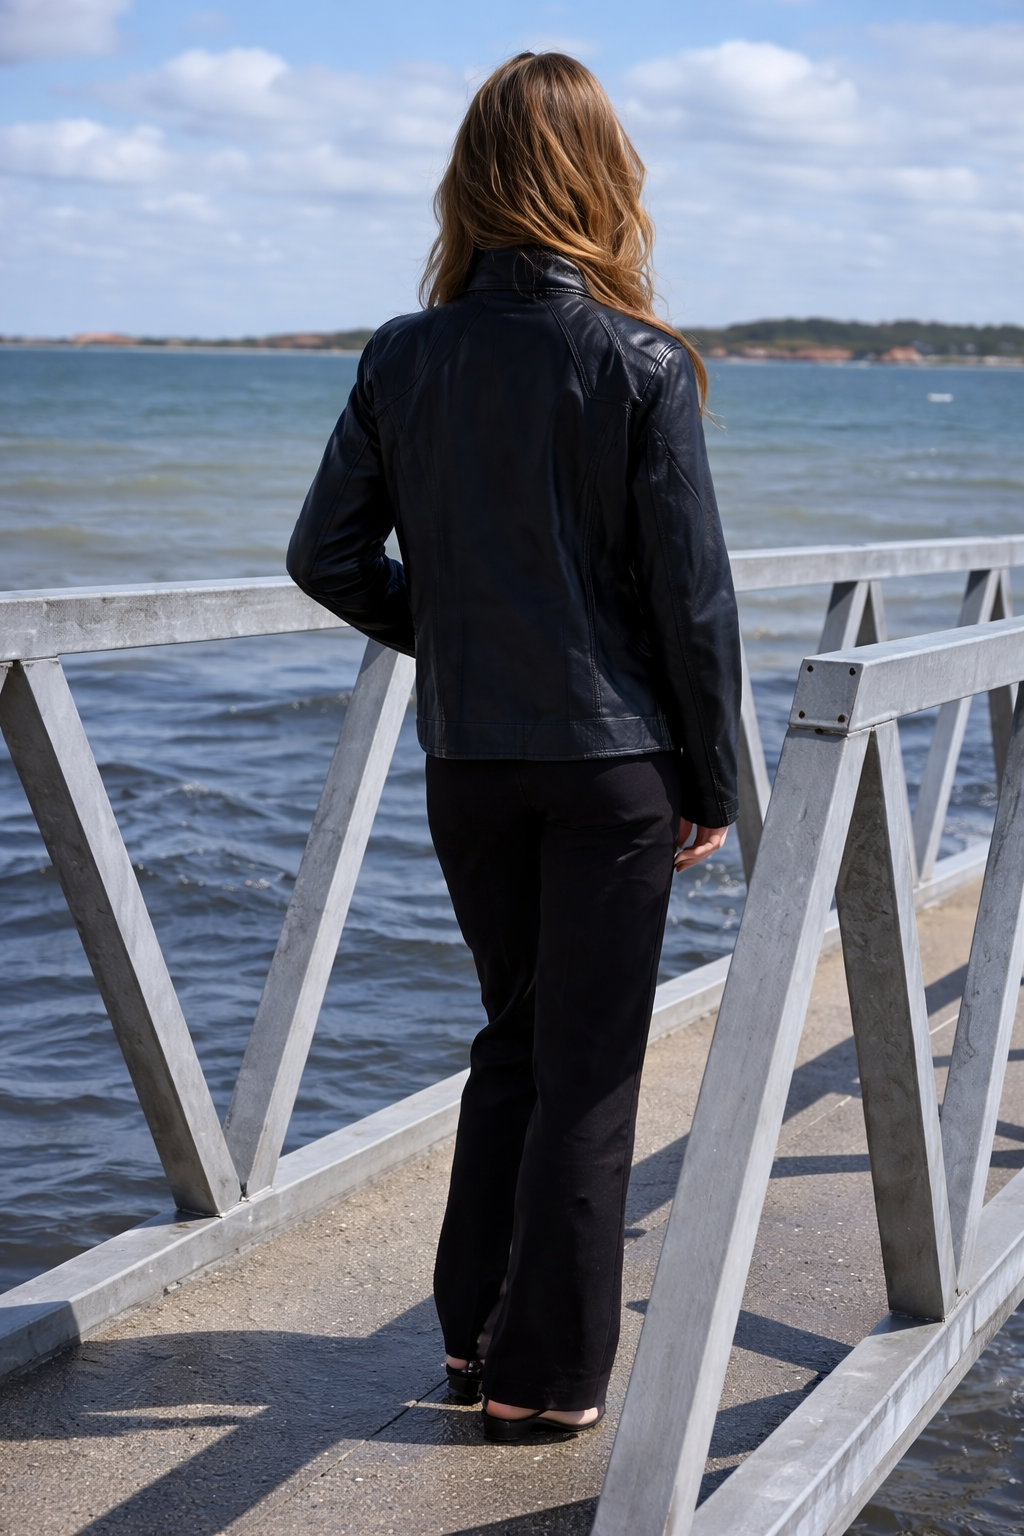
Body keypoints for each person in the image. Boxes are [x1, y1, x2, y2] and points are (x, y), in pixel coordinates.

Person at [287, 51, 741, 1443]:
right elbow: (692, 602)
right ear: (603, 178)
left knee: (515, 1040)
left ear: (472, 180)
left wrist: (461, 638)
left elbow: (325, 558)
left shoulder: (402, 352)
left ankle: (473, 1338)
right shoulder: (641, 360)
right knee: (587, 1068)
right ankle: (543, 1380)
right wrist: (714, 781)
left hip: (471, 762)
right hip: (613, 767)